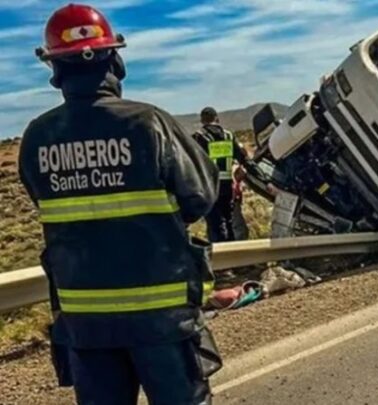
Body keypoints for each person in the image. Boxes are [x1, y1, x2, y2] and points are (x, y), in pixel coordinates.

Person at [18, 4, 222, 404]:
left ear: (55, 70)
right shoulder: (149, 123)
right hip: (162, 320)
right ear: (114, 60)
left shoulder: (37, 137)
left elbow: (43, 199)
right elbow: (200, 196)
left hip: (86, 325)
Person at [192, 107, 250, 242]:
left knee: (215, 223)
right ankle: (232, 253)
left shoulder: (199, 137)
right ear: (217, 119)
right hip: (227, 186)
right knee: (228, 221)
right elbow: (242, 157)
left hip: (210, 187)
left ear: (202, 121)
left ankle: (221, 255)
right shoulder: (229, 136)